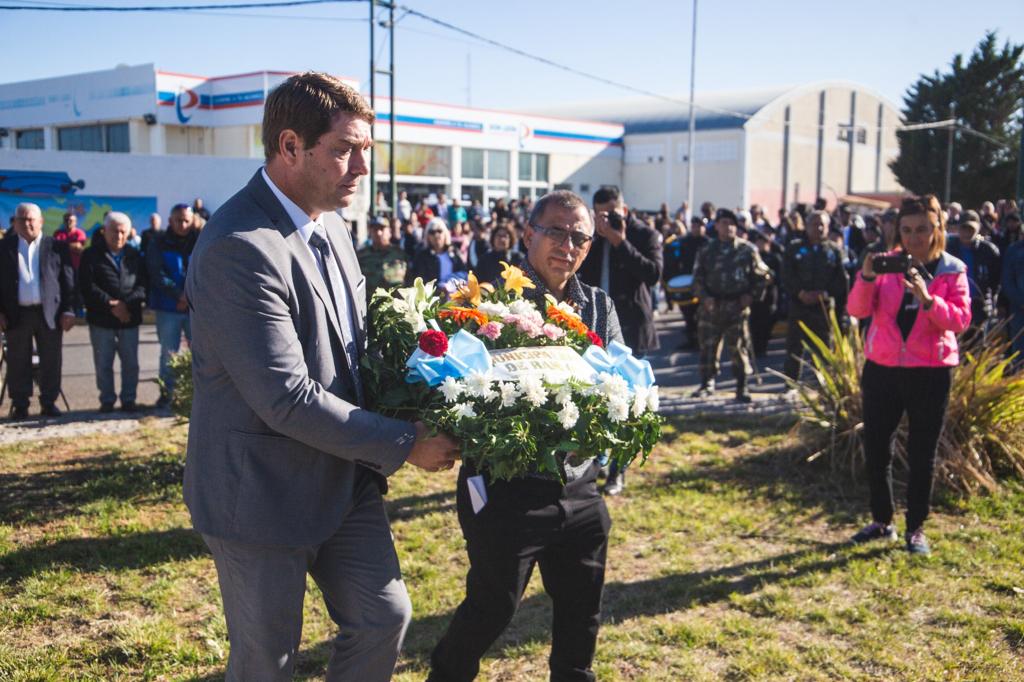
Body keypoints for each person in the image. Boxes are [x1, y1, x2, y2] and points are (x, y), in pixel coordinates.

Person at [183, 72, 459, 681]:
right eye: (343, 150)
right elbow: (285, 397)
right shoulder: (240, 246)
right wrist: (406, 441)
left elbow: (352, 347)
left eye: (366, 149)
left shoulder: (331, 221)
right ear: (289, 147)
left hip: (343, 481)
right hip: (259, 494)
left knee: (384, 618)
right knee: (268, 663)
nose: (362, 166)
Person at [428, 190, 620, 682]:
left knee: (582, 619)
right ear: (529, 233)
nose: (568, 245)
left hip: (578, 486)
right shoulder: (491, 301)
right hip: (506, 486)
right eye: (556, 231)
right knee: (491, 608)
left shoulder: (598, 306)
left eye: (581, 237)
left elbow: (618, 379)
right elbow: (457, 385)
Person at [848, 195, 971, 555]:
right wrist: (867, 277)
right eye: (906, 230)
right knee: (876, 448)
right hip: (882, 368)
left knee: (922, 453)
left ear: (937, 229)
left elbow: (960, 320)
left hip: (930, 373)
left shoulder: (951, 269)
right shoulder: (885, 265)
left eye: (922, 229)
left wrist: (928, 298)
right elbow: (856, 308)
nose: (914, 238)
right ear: (896, 230)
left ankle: (915, 528)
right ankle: (882, 521)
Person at [0, 203, 76, 419]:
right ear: (15, 223)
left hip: (49, 313)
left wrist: (69, 310)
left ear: (41, 221)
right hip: (16, 314)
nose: (27, 223)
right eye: (22, 219)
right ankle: (20, 403)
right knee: (17, 360)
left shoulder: (57, 247)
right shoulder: (4, 247)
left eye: (32, 219)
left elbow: (68, 281)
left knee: (51, 359)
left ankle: (49, 401)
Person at [691, 209, 770, 402]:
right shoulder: (706, 250)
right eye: (724, 222)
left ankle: (742, 386)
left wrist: (751, 296)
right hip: (712, 306)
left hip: (737, 307)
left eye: (732, 223)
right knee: (708, 346)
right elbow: (697, 279)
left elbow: (764, 276)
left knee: (739, 348)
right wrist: (704, 297)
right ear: (716, 225)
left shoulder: (747, 250)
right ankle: (707, 383)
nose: (729, 227)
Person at [578, 187, 662, 357]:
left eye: (611, 214)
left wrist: (620, 242)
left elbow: (653, 274)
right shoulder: (593, 238)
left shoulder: (645, 234)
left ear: (623, 210)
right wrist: (593, 236)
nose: (607, 220)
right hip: (596, 321)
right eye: (602, 215)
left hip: (632, 324)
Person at [78, 212, 145, 412]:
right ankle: (107, 400)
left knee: (131, 363)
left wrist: (125, 305)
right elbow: (87, 286)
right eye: (115, 231)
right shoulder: (91, 255)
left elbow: (143, 286)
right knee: (104, 363)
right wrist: (111, 304)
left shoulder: (135, 255)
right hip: (101, 320)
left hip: (129, 318)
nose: (119, 236)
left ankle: (129, 400)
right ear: (105, 231)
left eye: (123, 232)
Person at [781, 210, 849, 382]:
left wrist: (825, 293)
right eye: (814, 224)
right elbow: (786, 275)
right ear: (806, 225)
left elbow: (841, 279)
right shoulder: (794, 248)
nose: (818, 228)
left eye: (822, 225)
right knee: (794, 346)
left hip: (823, 308)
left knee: (824, 347)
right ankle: (791, 383)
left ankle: (822, 384)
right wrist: (800, 293)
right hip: (799, 305)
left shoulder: (834, 251)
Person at [147, 203, 198, 408]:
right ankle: (167, 394)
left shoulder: (202, 239)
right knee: (169, 352)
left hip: (196, 308)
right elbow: (156, 273)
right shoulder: (158, 242)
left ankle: (194, 395)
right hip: (169, 306)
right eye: (178, 220)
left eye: (186, 220)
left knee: (201, 352)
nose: (183, 224)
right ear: (170, 220)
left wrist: (191, 295)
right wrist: (179, 295)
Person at [946, 210, 1001, 338]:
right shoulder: (948, 248)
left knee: (977, 348)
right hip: (953, 305)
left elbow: (996, 280)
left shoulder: (989, 251)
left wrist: (991, 300)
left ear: (978, 229)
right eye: (963, 228)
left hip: (979, 307)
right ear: (958, 228)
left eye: (970, 229)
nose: (966, 232)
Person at [405, 219, 467, 289]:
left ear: (445, 233)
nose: (436, 235)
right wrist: (439, 288)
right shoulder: (421, 257)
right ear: (427, 236)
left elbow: (463, 272)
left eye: (439, 231)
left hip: (455, 296)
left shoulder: (454, 252)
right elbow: (418, 281)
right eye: (432, 232)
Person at [356, 216, 408, 300]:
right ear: (370, 232)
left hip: (395, 306)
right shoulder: (361, 255)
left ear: (389, 232)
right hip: (370, 305)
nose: (378, 233)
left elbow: (410, 278)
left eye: (382, 229)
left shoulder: (400, 254)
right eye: (375, 230)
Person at [749, 230, 782, 357]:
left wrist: (772, 278)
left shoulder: (774, 258)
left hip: (769, 294)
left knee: (767, 321)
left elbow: (779, 277)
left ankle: (763, 346)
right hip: (755, 294)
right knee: (754, 321)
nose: (760, 245)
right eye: (758, 242)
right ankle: (756, 348)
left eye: (763, 242)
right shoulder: (753, 258)